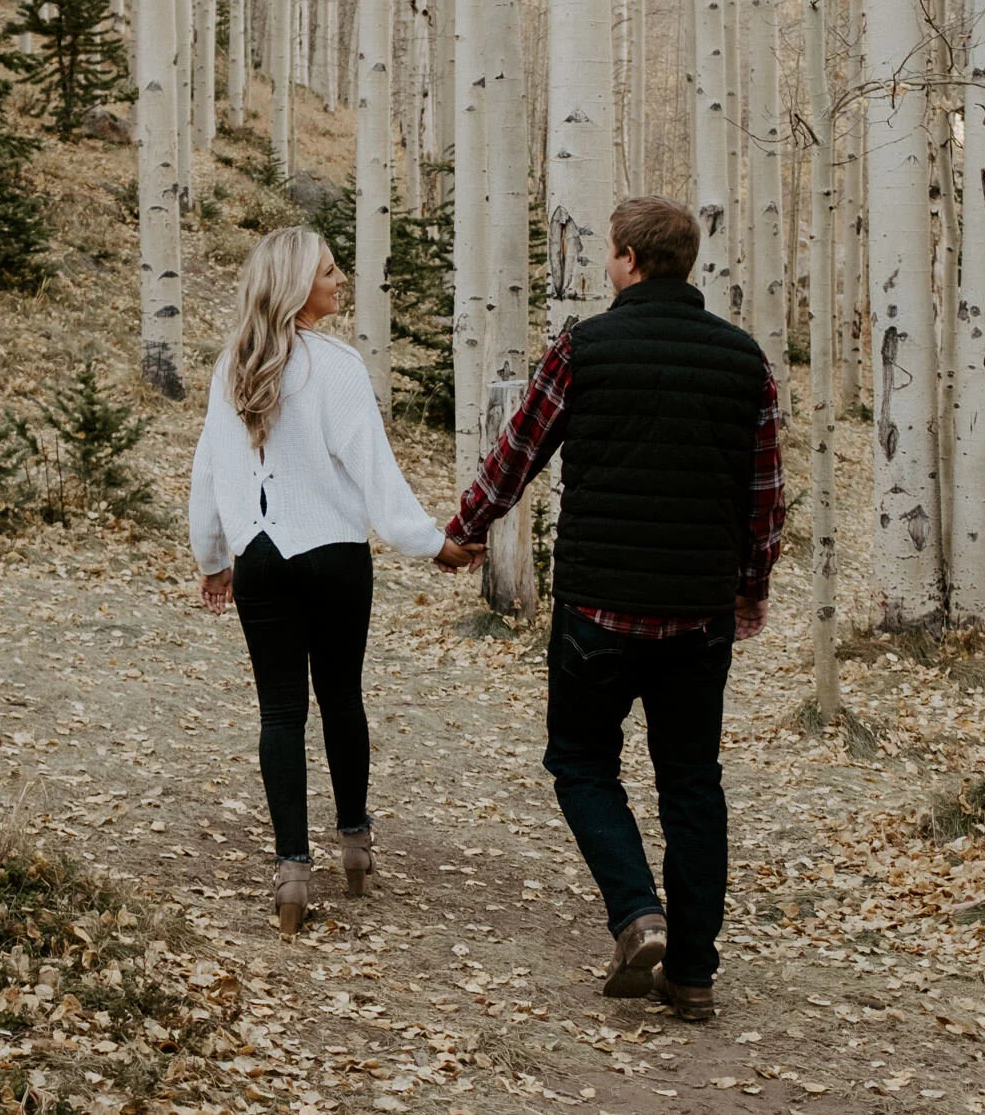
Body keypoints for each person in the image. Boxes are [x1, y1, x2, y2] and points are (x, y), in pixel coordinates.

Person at [444, 197, 783, 1023]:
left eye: (608, 251)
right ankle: (694, 974)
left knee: (582, 762)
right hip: (697, 617)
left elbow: (518, 451)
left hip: (598, 609)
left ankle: (637, 916)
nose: (604, 262)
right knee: (693, 785)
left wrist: (464, 532)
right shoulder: (746, 362)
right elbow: (766, 497)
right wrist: (750, 586)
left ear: (629, 258)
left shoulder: (584, 348)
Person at [189, 226, 480, 934]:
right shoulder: (338, 365)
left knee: (281, 714)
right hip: (337, 557)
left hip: (263, 558)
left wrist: (215, 560)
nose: (339, 277)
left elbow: (209, 473)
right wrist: (431, 544)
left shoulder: (233, 364)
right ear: (295, 286)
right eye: (326, 270)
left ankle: (292, 872)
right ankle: (355, 844)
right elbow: (374, 472)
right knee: (342, 697)